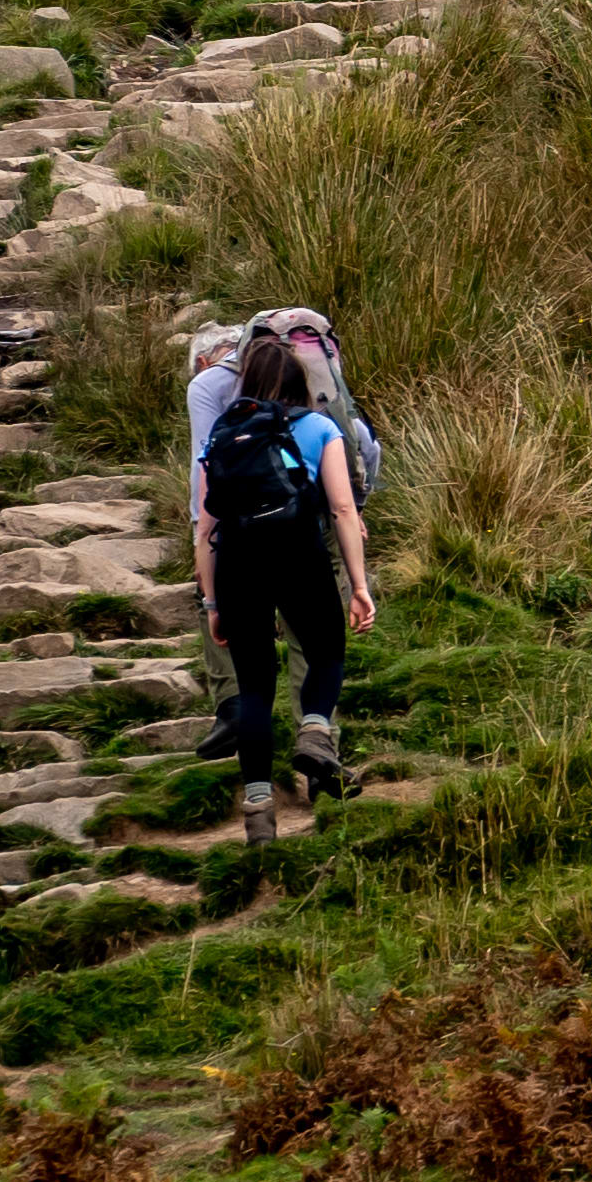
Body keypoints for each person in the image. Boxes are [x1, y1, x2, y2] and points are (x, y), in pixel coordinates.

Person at [191, 325, 374, 841]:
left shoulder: (222, 435)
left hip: (238, 563)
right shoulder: (318, 426)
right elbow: (341, 508)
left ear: (245, 379)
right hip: (299, 553)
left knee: (253, 686)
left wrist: (211, 601)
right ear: (300, 379)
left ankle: (257, 812)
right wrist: (359, 584)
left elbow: (206, 529)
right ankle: (315, 730)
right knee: (327, 652)